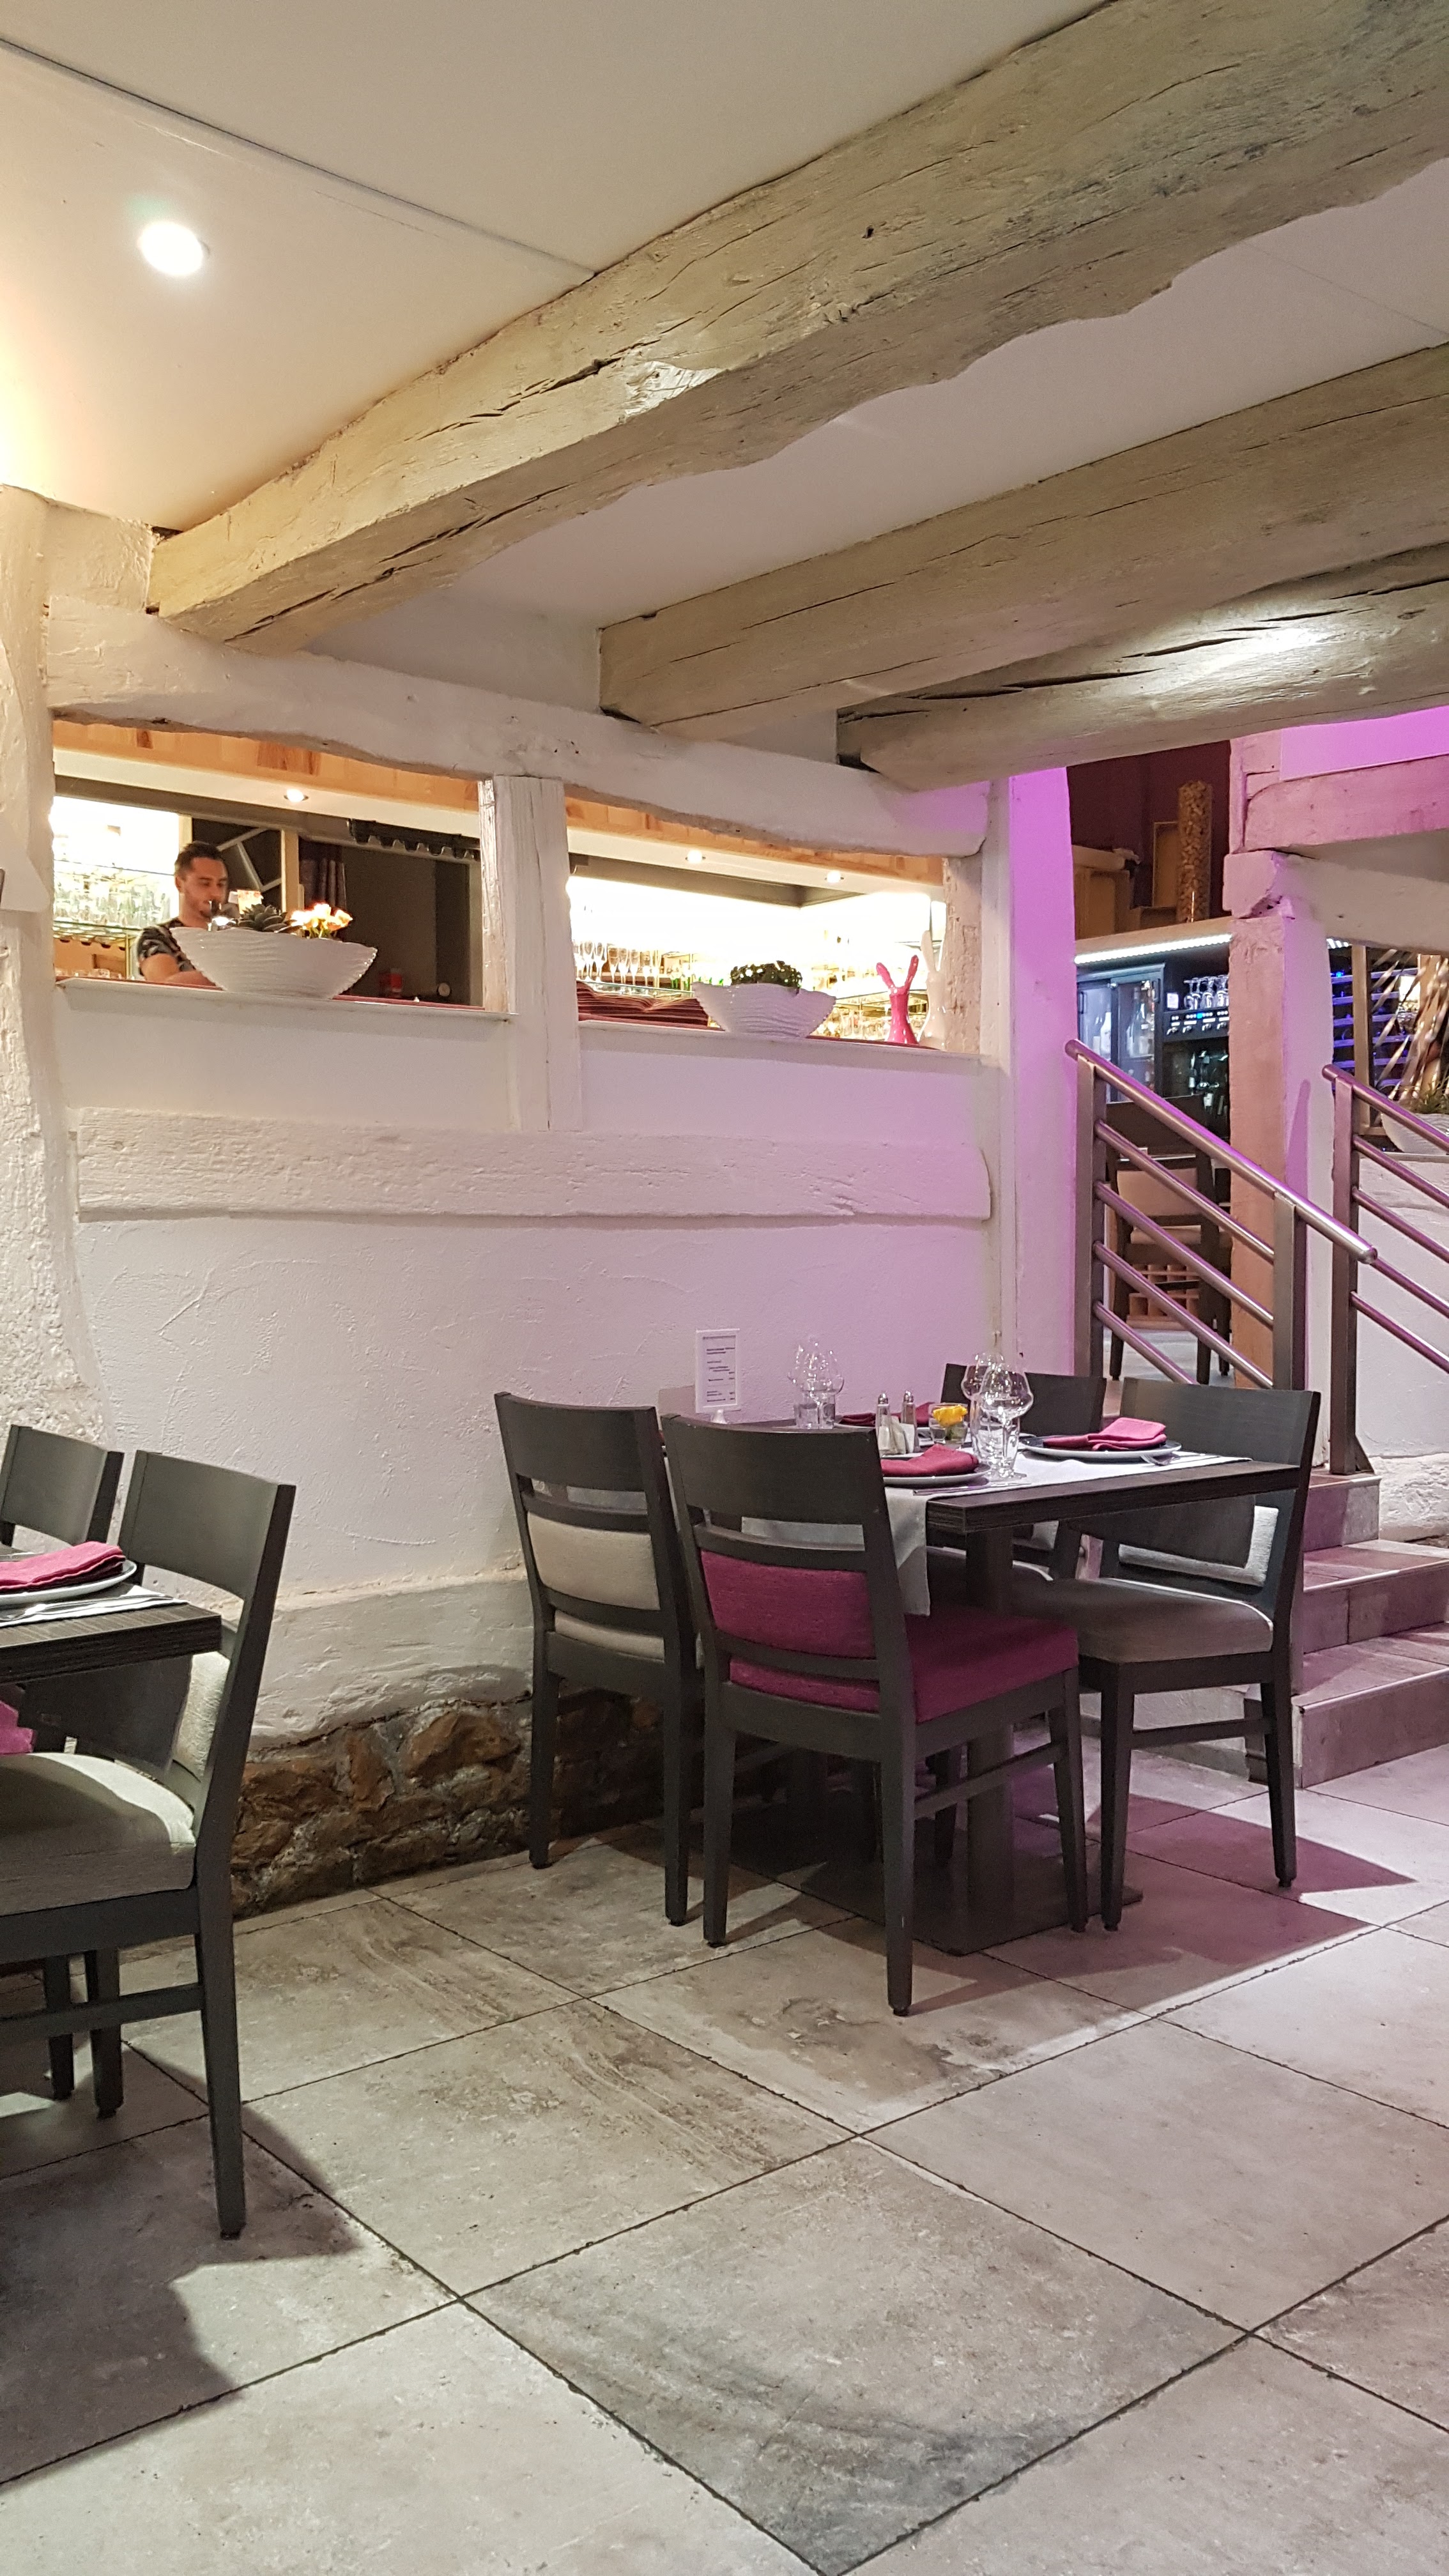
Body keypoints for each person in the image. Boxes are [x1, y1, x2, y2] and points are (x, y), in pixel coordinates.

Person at [135, 842, 233, 985]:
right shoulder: (157, 937)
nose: (216, 893)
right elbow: (167, 984)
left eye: (221, 884)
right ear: (179, 884)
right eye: (205, 883)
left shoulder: (233, 938)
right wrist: (237, 978)